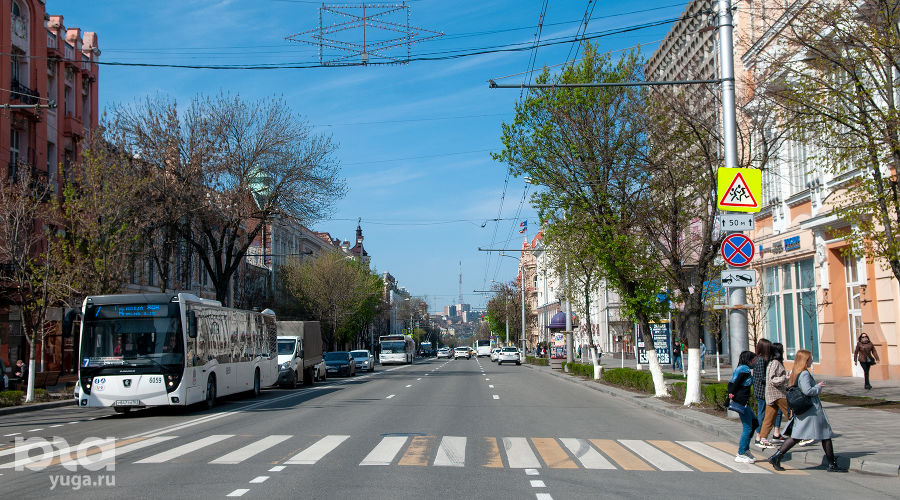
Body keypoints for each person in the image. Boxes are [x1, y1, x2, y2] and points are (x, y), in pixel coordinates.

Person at [768, 349, 845, 472]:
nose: (812, 360)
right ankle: (832, 464)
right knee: (825, 435)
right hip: (811, 411)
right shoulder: (804, 374)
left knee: (798, 436)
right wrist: (818, 387)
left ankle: (776, 456)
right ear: (804, 360)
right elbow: (807, 391)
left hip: (804, 411)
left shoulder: (796, 372)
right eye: (809, 358)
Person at [728, 350, 759, 463]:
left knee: (754, 422)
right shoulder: (744, 370)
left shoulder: (740, 368)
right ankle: (741, 453)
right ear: (749, 360)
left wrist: (730, 395)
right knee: (748, 427)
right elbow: (734, 385)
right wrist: (730, 396)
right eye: (754, 360)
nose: (755, 362)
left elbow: (731, 384)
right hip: (742, 402)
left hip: (743, 401)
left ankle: (745, 449)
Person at [758, 342, 788, 448]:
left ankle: (763, 439)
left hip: (770, 394)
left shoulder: (771, 362)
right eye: (782, 349)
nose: (783, 351)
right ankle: (802, 435)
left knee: (769, 418)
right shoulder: (776, 362)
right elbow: (772, 379)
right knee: (791, 413)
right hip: (778, 394)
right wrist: (785, 378)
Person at [752, 338, 772, 448]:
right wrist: (772, 379)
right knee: (762, 413)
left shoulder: (761, 360)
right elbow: (761, 377)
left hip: (762, 390)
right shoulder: (760, 360)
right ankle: (758, 436)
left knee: (763, 413)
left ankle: (760, 436)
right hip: (761, 391)